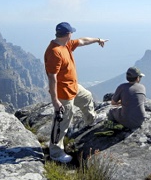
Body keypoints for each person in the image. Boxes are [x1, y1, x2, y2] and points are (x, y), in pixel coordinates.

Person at [44, 22, 108, 163]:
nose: (72, 34)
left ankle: (91, 120)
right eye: (71, 32)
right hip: (63, 93)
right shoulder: (55, 51)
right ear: (67, 34)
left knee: (87, 97)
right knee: (63, 121)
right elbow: (52, 77)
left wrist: (98, 40)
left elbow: (83, 41)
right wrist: (55, 100)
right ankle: (55, 153)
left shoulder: (65, 44)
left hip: (73, 86)